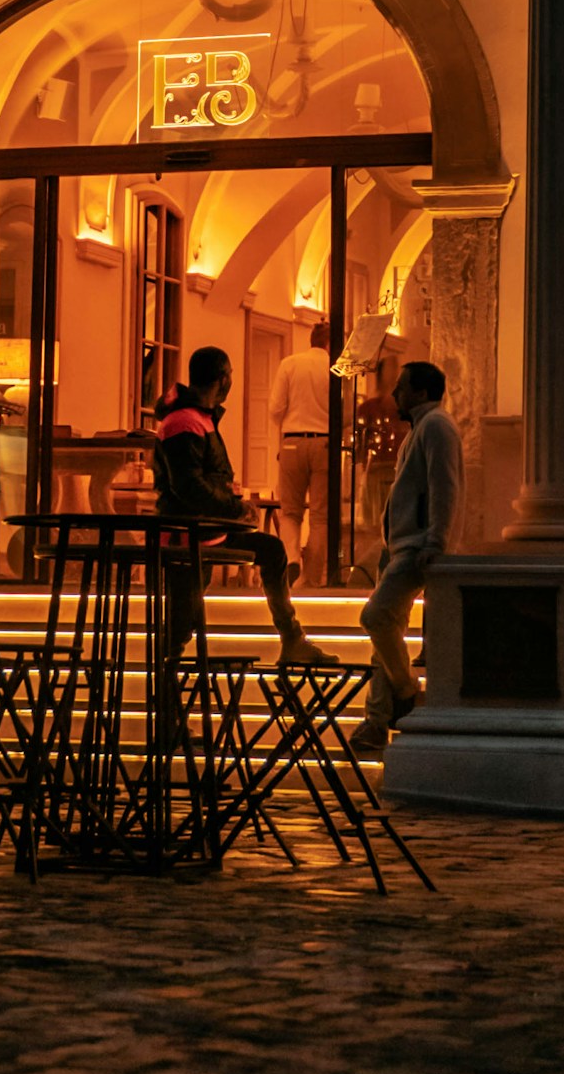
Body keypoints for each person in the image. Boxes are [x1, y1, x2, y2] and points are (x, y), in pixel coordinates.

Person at [154, 346, 336, 667]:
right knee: (180, 624)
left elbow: (201, 480)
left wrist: (231, 506)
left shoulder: (195, 418)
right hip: (190, 534)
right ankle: (167, 697)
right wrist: (236, 510)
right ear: (223, 380)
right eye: (231, 376)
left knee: (272, 552)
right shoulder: (186, 422)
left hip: (207, 530)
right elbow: (189, 486)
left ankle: (291, 637)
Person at [349, 359, 462, 753]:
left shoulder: (435, 426)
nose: (395, 393)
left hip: (414, 546)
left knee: (376, 617)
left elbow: (443, 485)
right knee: (386, 632)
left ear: (420, 391)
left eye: (402, 386)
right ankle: (376, 721)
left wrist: (435, 540)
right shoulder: (423, 427)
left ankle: (408, 693)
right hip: (402, 543)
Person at [269, 323, 332, 585]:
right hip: (325, 443)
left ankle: (292, 560)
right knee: (320, 515)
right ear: (332, 343)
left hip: (293, 440)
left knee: (290, 512)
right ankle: (313, 577)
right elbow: (348, 412)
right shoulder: (336, 369)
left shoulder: (290, 364)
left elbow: (275, 407)